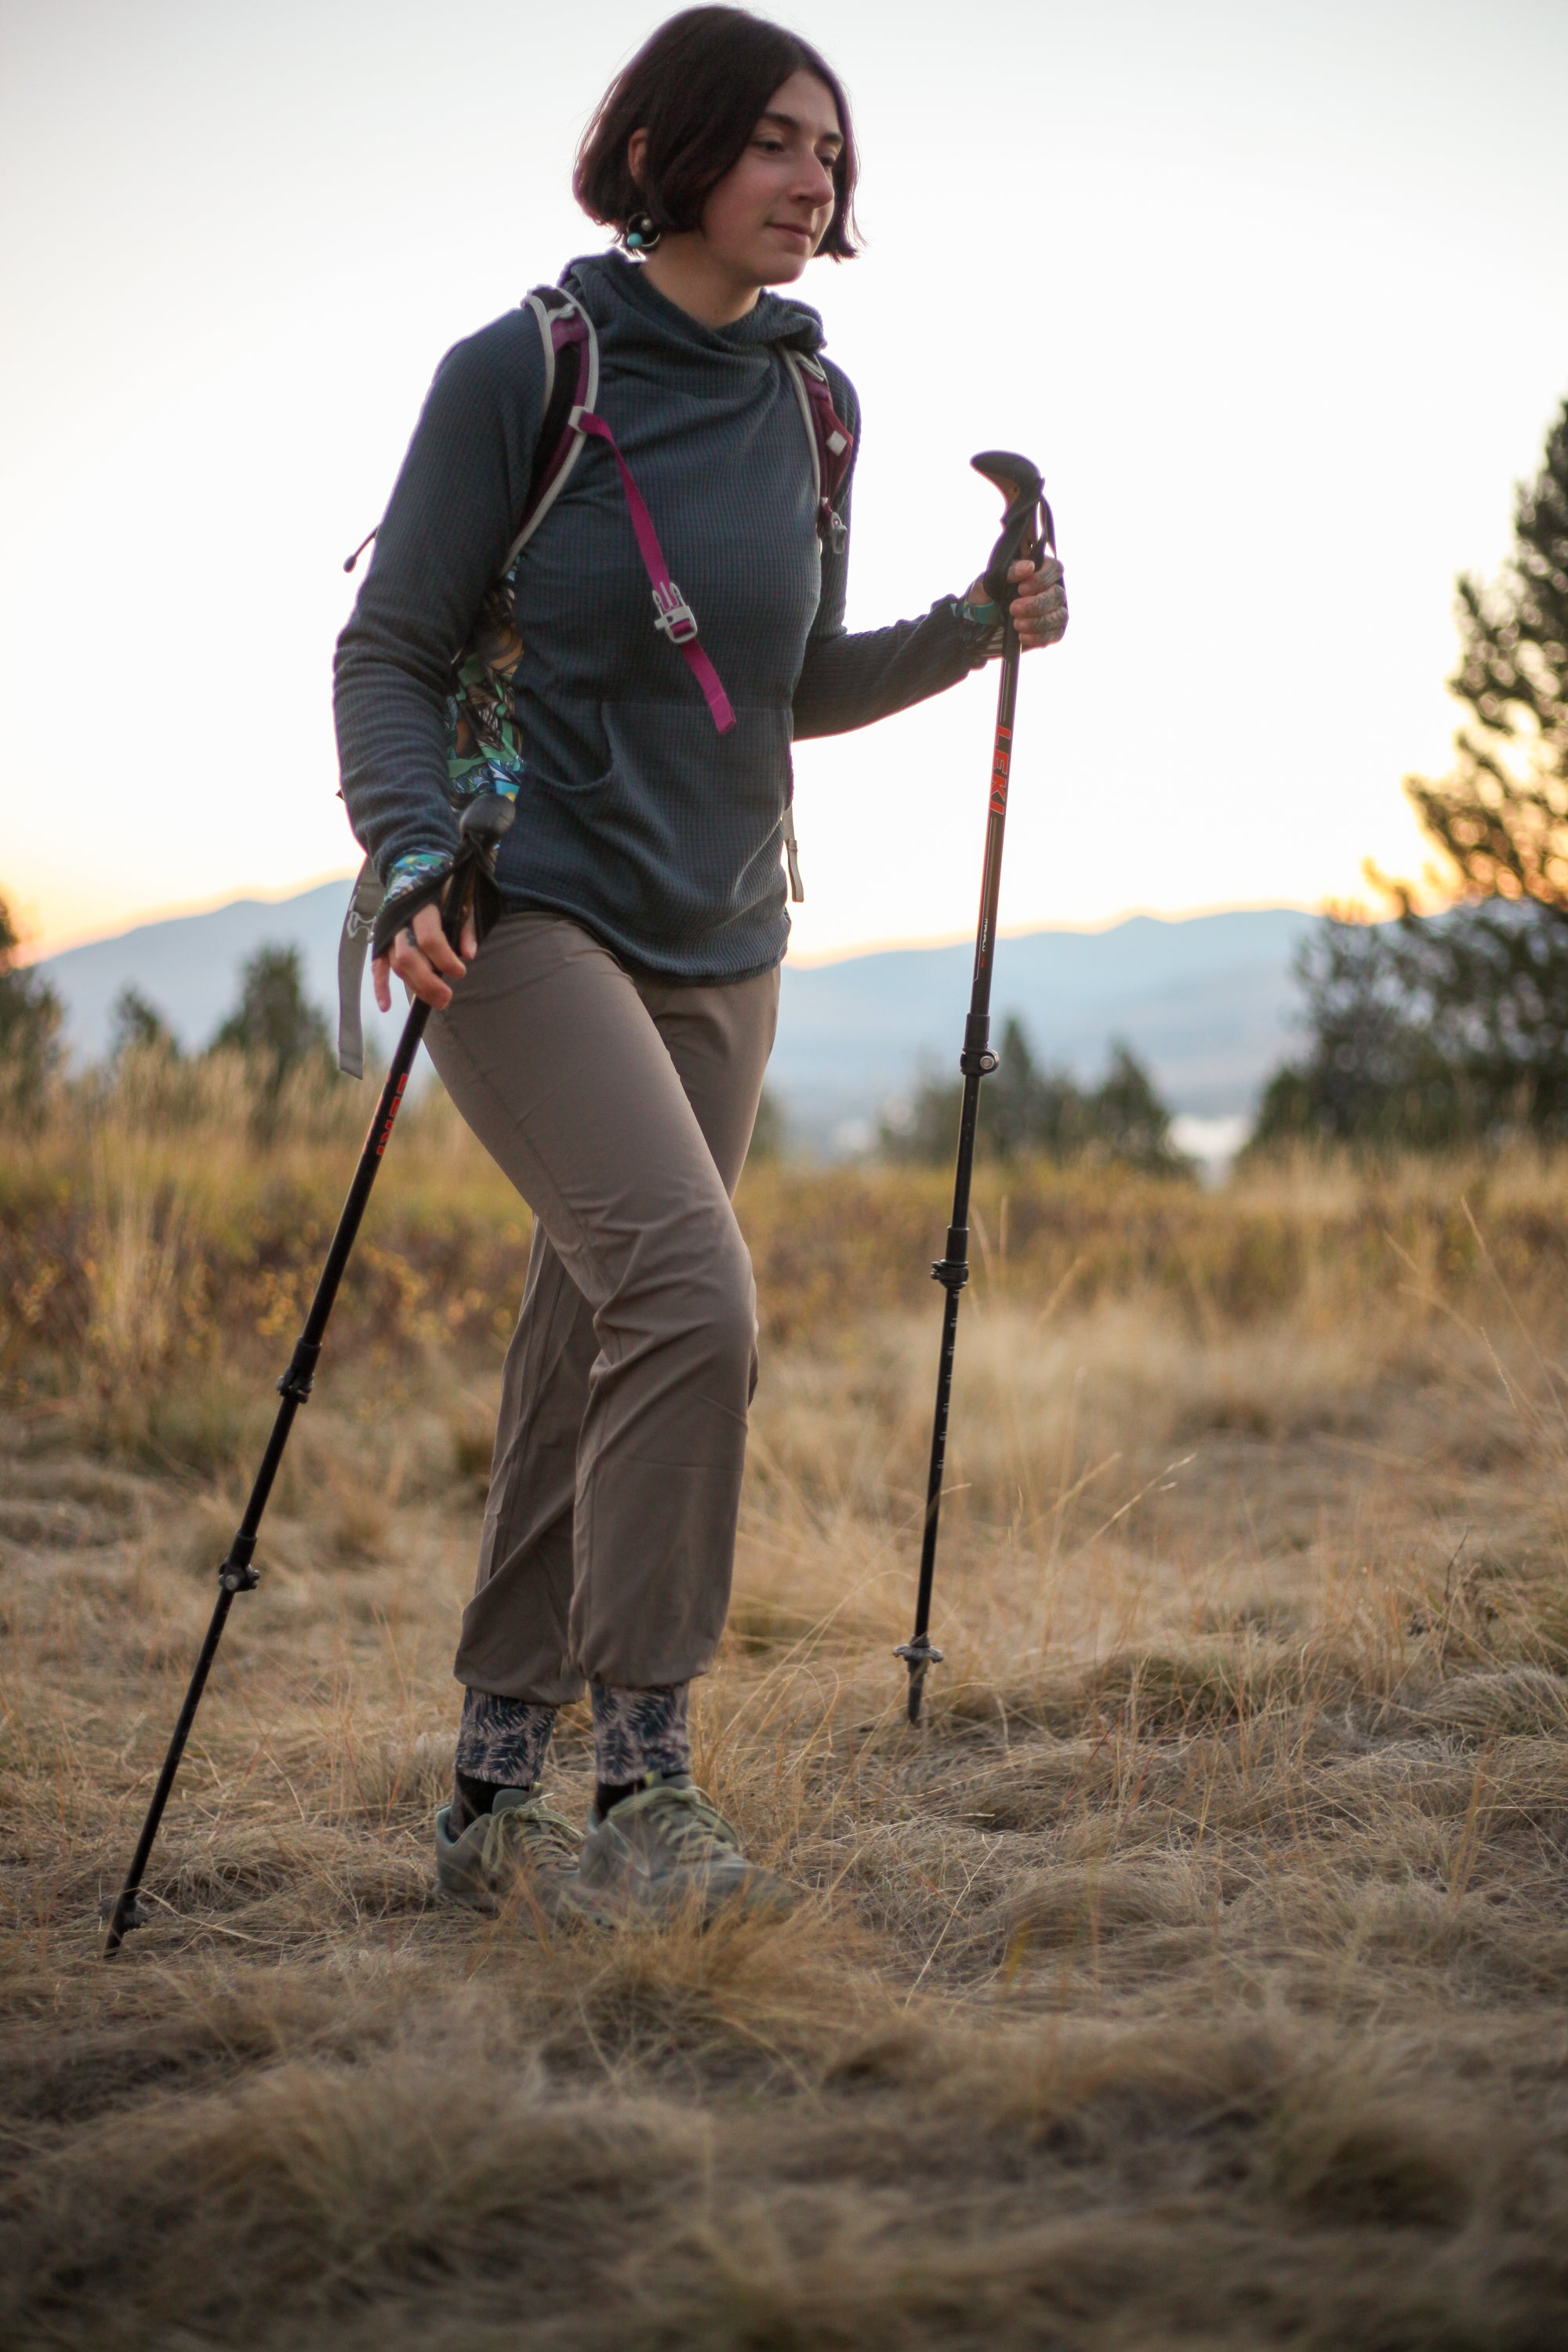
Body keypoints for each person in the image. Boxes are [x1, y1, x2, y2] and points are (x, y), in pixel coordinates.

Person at [333, 4, 1068, 1928]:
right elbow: (389, 648)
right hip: (517, 905)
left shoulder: (814, 405)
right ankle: (645, 1780)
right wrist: (406, 852)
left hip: (727, 925)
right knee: (688, 1291)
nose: (812, 178)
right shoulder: (527, 368)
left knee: (592, 1333)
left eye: (830, 149)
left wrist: (970, 627)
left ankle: (490, 1794)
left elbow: (783, 681)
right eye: (771, 140)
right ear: (665, 153)